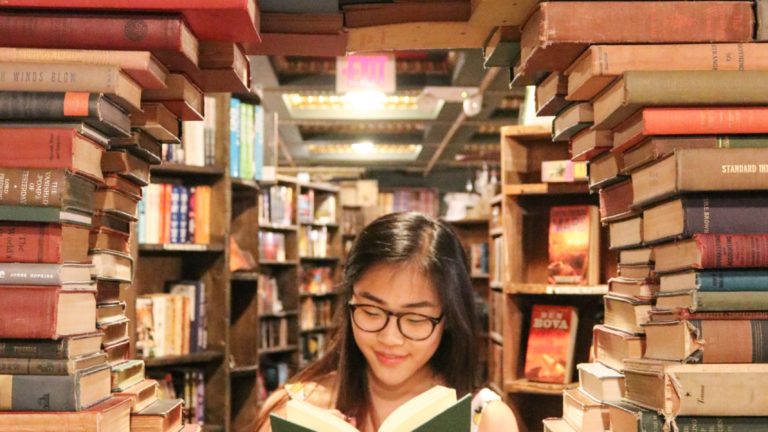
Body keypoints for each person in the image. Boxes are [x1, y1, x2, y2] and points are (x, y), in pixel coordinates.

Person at [255, 212, 518, 432]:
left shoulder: (488, 420)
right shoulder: (295, 409)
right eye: (371, 312)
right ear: (349, 303)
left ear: (449, 318)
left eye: (415, 319)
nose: (390, 338)